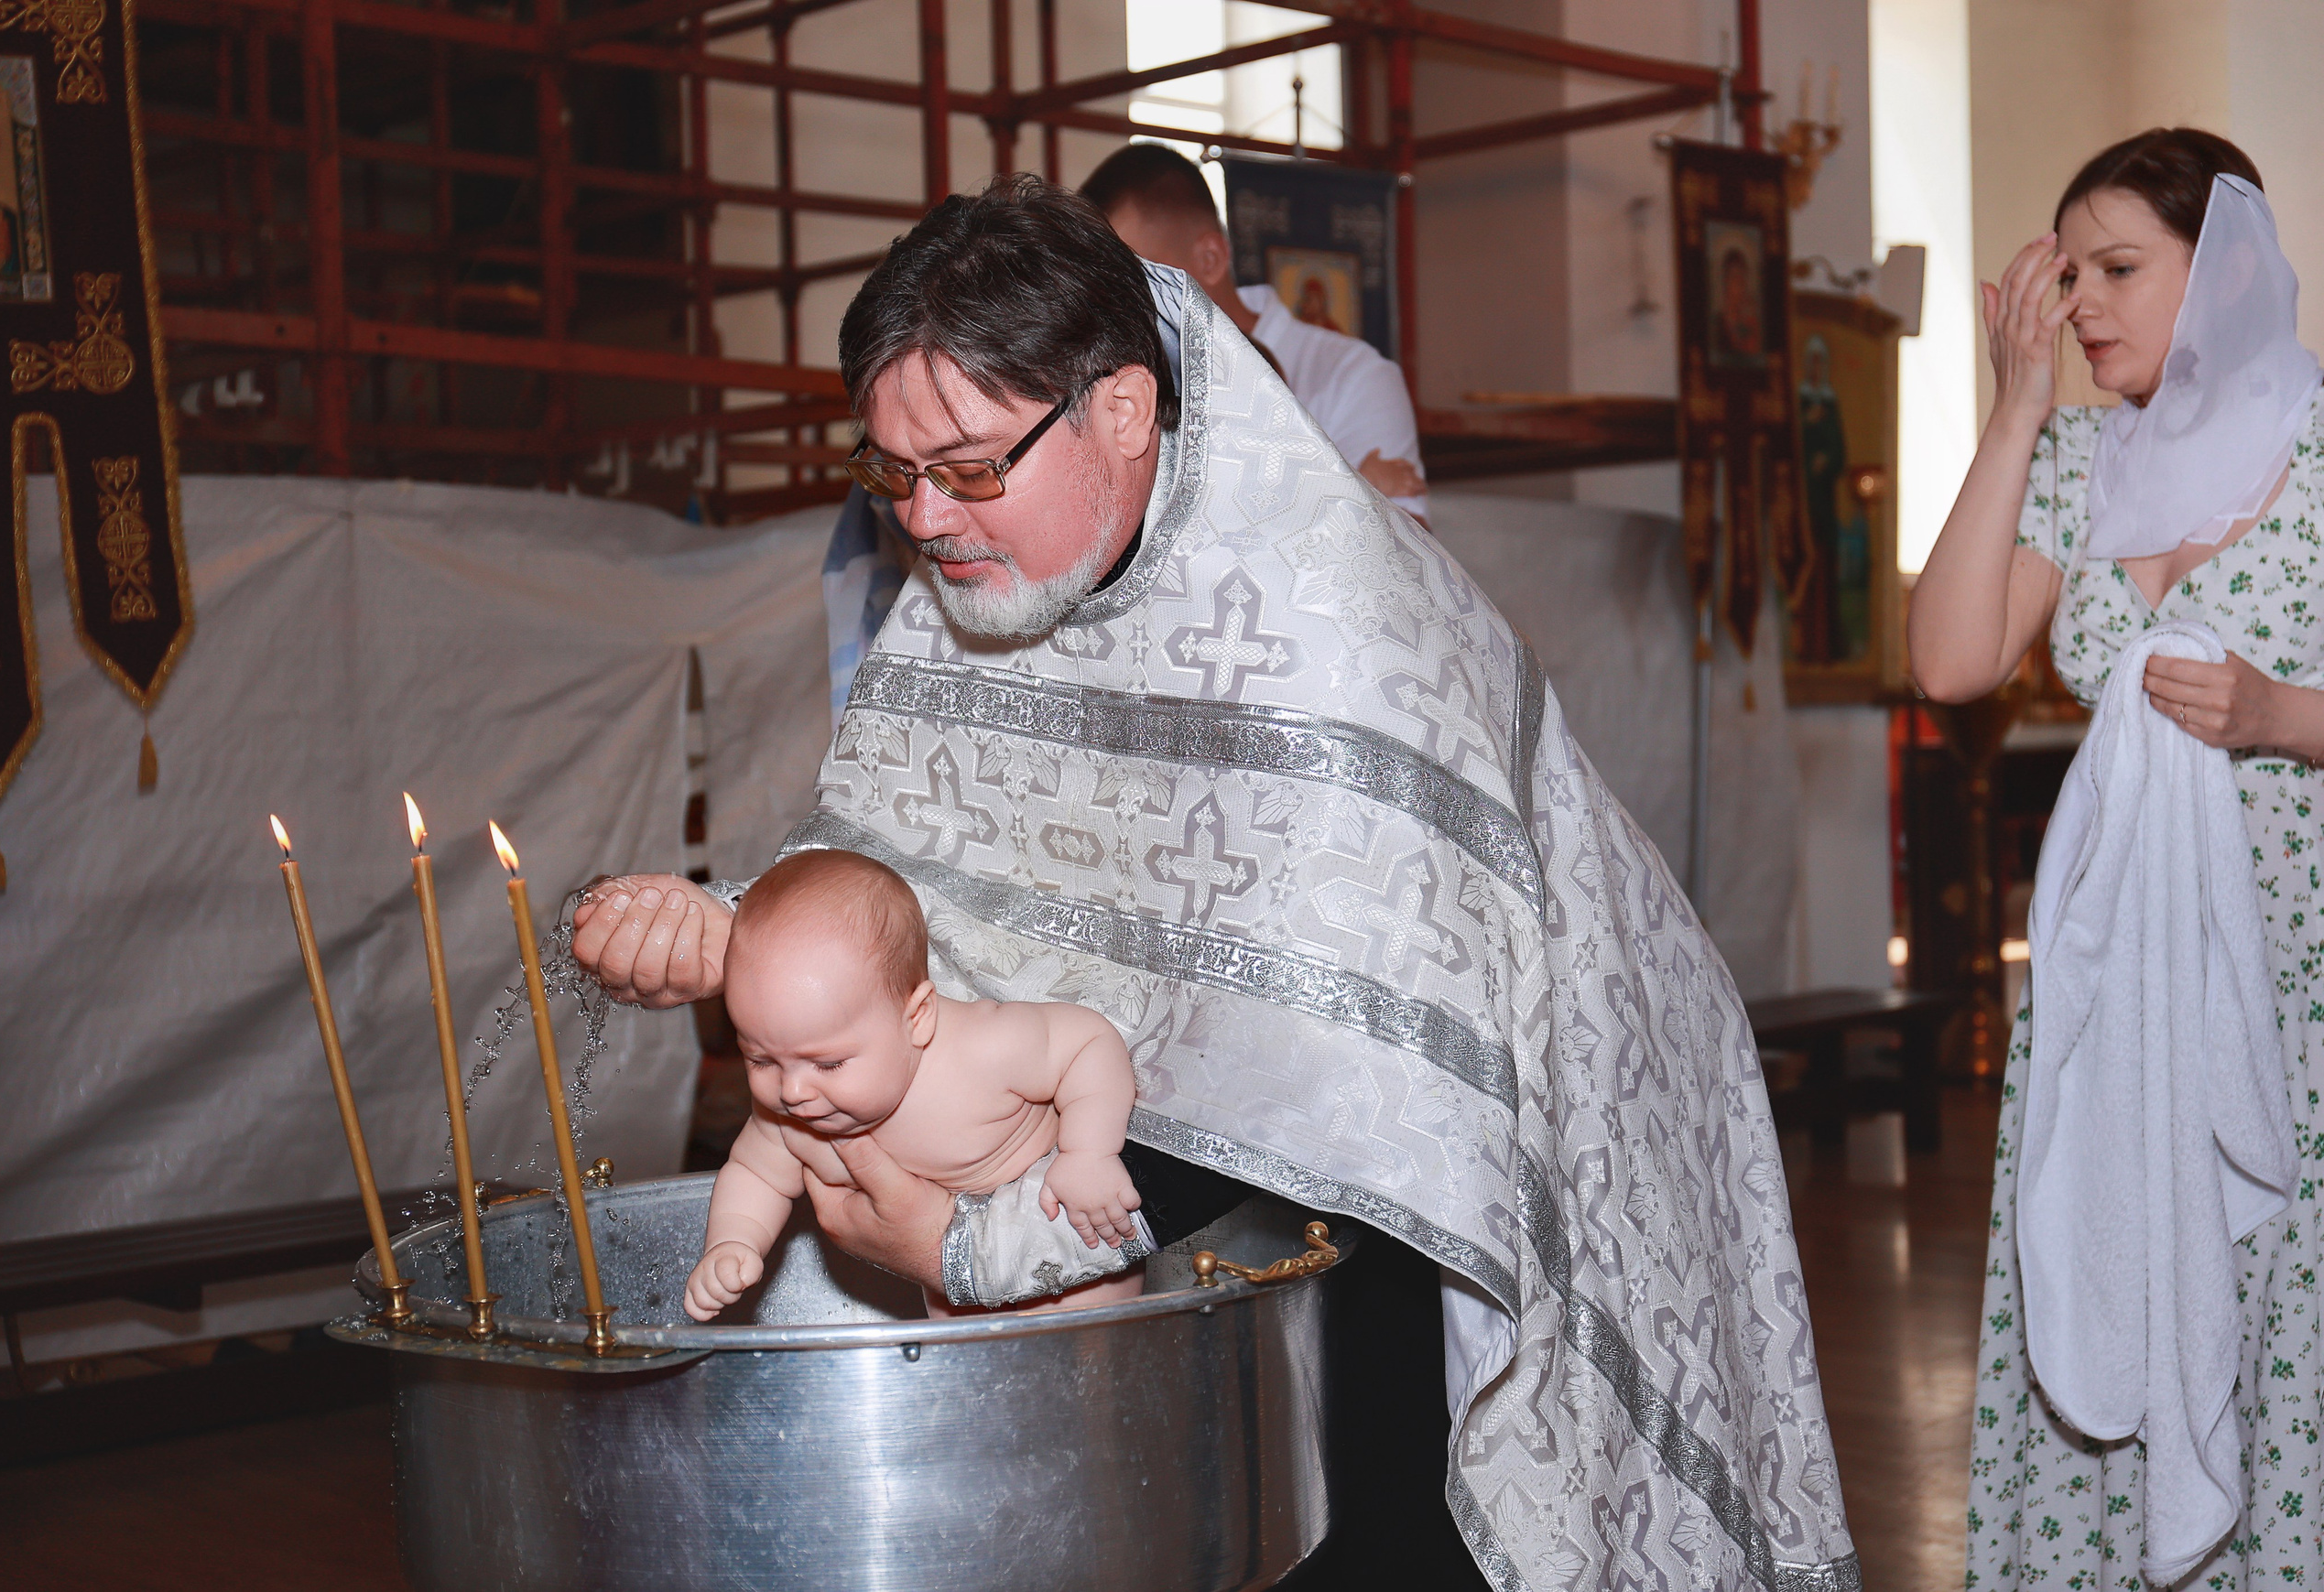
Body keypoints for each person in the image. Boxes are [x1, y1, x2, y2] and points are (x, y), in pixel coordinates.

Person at [574, 175, 1854, 1591]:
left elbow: (1323, 1089)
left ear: (1122, 409)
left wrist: (976, 1238)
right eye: (894, 472)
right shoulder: (968, 591)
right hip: (1219, 1182)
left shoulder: (1333, 627)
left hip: (1520, 1117)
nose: (926, 518)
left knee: (1387, 1495)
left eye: (970, 464)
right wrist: (732, 925)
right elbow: (905, 901)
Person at [1908, 128, 2324, 1587]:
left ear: (2227, 267)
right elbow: (1952, 657)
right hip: (2114, 987)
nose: (2081, 299)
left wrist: (2285, 716)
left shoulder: (2322, 448)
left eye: (2120, 268)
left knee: (2282, 1314)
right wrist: (2017, 410)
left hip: (2298, 985)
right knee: (2113, 1278)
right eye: (2067, 269)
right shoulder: (2081, 457)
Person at [683, 849, 1146, 1322]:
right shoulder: (790, 1119)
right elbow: (754, 1174)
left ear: (917, 1018)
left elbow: (1090, 1042)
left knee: (1078, 1374)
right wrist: (733, 1242)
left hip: (1066, 1248)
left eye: (828, 1064)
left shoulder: (982, 1050)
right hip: (948, 1281)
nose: (792, 1090)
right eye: (760, 1059)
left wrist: (1089, 1154)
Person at [1079, 143, 1429, 522]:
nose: (1119, 305)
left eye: (1138, 279)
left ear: (1210, 259)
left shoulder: (1352, 375)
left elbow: (1405, 558)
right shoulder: (1116, 385)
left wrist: (1359, 498)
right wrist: (1353, 490)